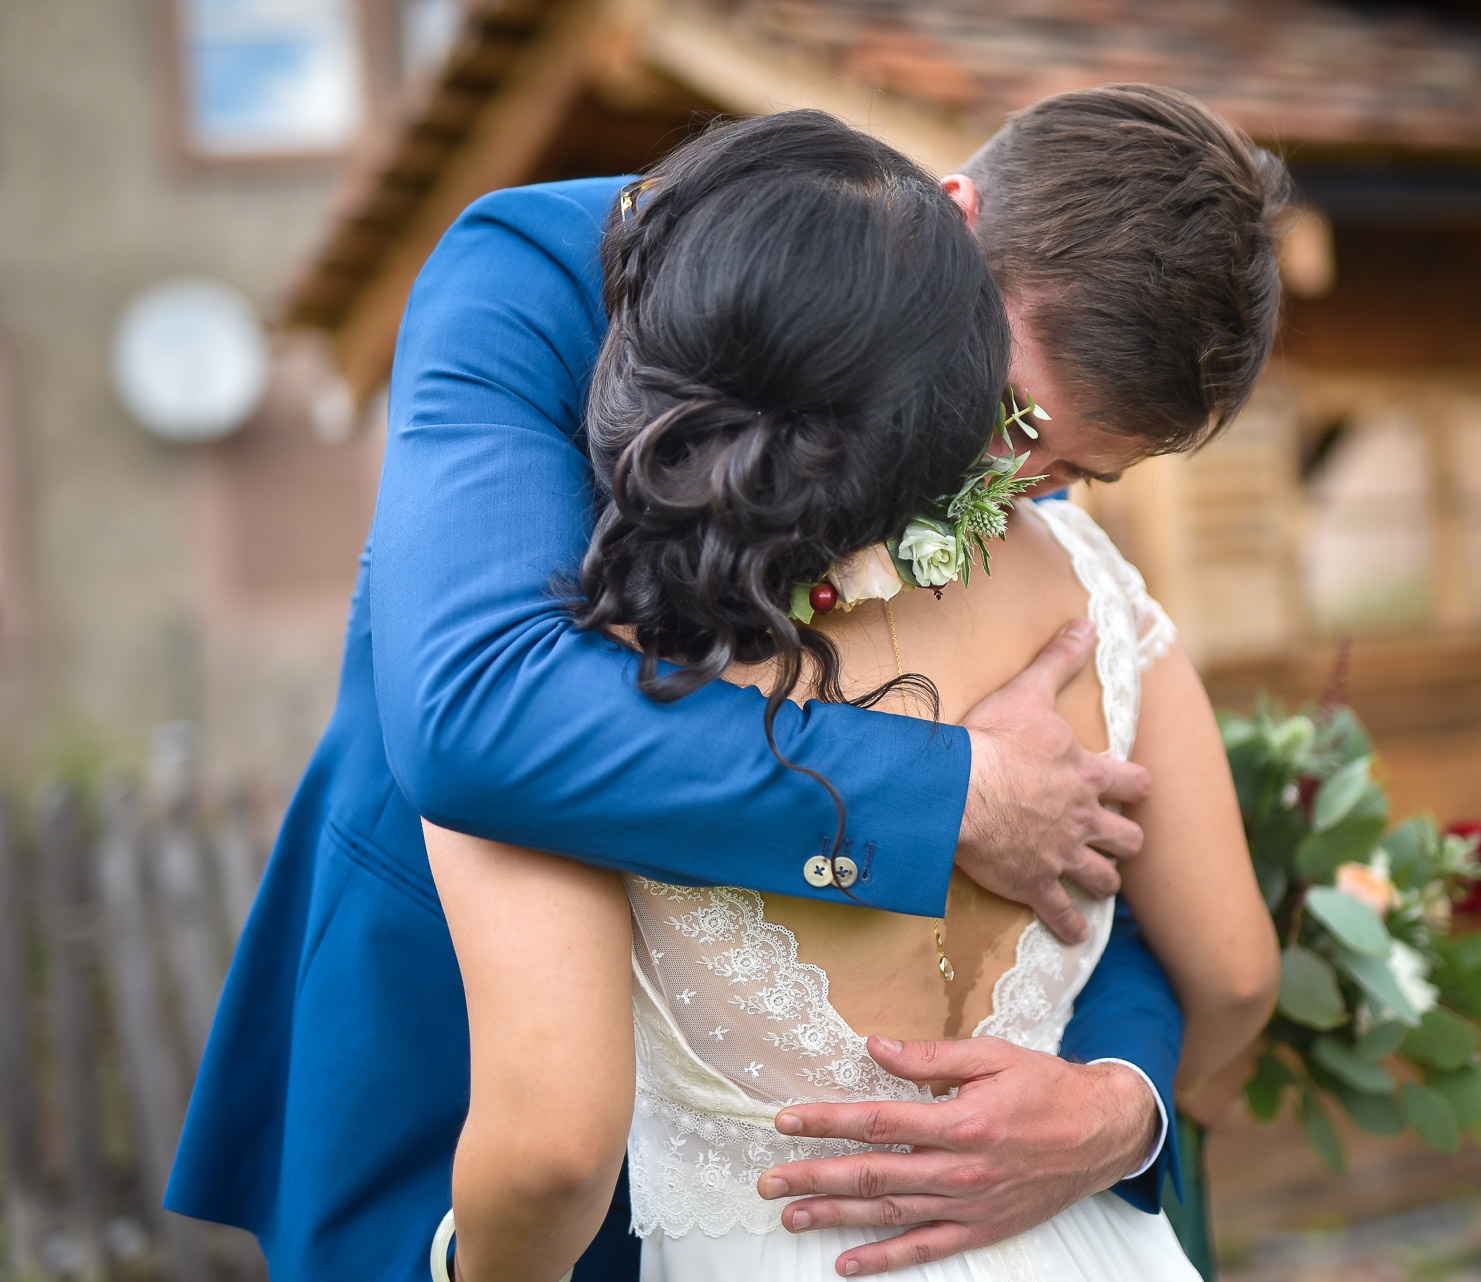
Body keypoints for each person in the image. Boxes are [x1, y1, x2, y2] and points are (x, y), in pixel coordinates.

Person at [166, 84, 1288, 1282]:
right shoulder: (537, 278)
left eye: (1072, 472)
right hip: (462, 1046)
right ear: (955, 222)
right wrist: (953, 791)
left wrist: (1119, 1099)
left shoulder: (1029, 535)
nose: (1012, 490)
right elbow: (481, 712)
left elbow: (1092, 875)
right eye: (1016, 420)